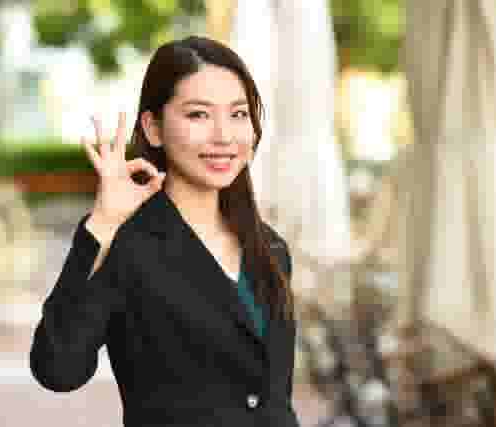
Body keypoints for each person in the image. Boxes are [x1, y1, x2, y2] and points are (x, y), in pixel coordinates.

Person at [29, 35, 299, 427]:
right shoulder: (128, 243)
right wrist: (102, 224)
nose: (224, 135)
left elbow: (276, 401)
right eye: (198, 115)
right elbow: (58, 368)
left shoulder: (270, 249)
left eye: (238, 114)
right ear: (153, 128)